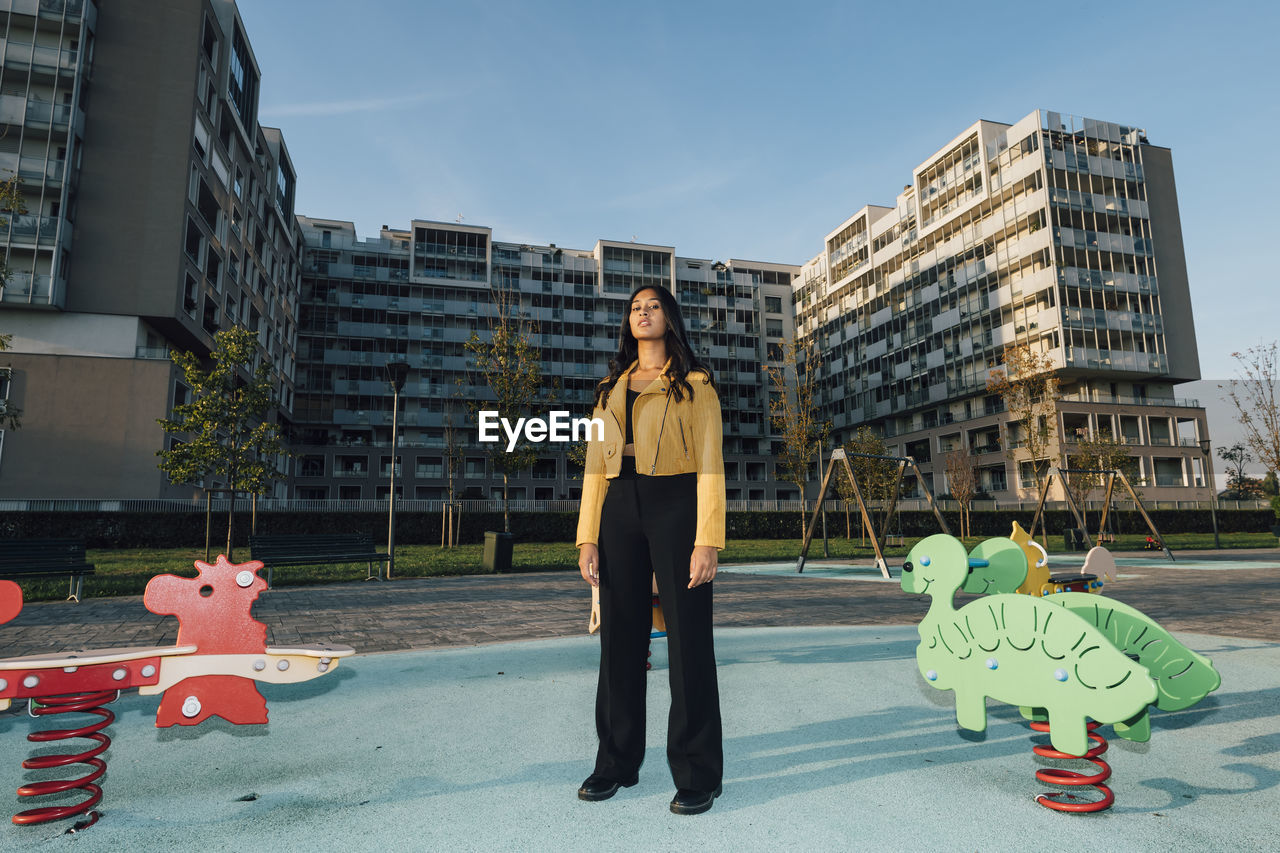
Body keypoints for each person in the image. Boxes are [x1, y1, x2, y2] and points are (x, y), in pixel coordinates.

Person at [576, 284, 726, 816]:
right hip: (619, 503)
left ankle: (697, 772)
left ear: (670, 318)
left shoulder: (696, 385)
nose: (642, 312)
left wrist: (707, 538)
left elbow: (711, 462)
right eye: (635, 308)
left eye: (653, 305)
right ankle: (616, 761)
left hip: (676, 503)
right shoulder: (610, 389)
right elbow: (595, 465)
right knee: (619, 637)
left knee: (687, 638)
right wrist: (587, 535)